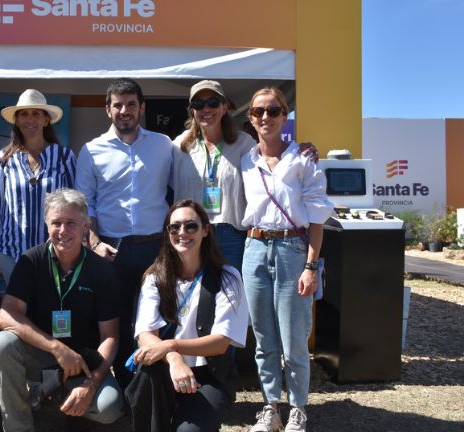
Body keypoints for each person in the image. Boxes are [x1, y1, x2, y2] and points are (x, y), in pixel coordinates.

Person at [0, 188, 123, 432]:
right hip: (41, 354)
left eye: (71, 223)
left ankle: (63, 397)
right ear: (47, 226)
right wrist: (56, 347)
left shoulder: (101, 271)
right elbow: (6, 315)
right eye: (56, 223)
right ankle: (19, 426)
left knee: (109, 408)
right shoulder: (31, 261)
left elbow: (110, 337)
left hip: (84, 361)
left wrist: (90, 384)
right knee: (1, 345)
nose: (63, 231)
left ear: (85, 226)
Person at [240, 87, 333, 432]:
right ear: (250, 117)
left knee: (294, 337)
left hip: (294, 251)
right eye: (258, 111)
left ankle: (298, 408)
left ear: (284, 116)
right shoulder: (245, 160)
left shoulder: (303, 159)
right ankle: (271, 407)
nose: (266, 117)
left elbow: (316, 218)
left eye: (274, 110)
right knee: (263, 338)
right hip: (254, 250)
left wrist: (311, 265)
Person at [75, 78, 174, 389]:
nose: (124, 110)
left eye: (131, 104)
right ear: (108, 109)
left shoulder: (164, 145)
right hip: (110, 250)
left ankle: (151, 384)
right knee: (114, 320)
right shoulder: (91, 151)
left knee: (154, 316)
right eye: (117, 104)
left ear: (142, 108)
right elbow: (84, 204)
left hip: (154, 248)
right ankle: (123, 385)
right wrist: (94, 243)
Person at [126, 199, 248, 432]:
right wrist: (173, 358)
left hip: (209, 376)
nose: (182, 232)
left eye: (190, 226)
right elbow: (145, 334)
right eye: (174, 227)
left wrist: (171, 345)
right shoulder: (154, 277)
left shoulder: (228, 278)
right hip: (165, 369)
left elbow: (221, 343)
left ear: (205, 230)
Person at [0, 89, 76, 287]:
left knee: (50, 310)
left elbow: (76, 205)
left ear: (46, 121)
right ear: (17, 121)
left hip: (55, 251)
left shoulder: (64, 157)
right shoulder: (3, 160)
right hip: (12, 252)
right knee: (16, 309)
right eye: (24, 114)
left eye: (36, 114)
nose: (30, 120)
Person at [172, 80, 257, 273]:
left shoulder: (244, 144)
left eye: (213, 102)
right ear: (192, 110)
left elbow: (270, 163)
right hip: (191, 233)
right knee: (194, 295)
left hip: (231, 235)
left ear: (225, 106)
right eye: (199, 105)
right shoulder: (180, 146)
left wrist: (300, 150)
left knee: (231, 296)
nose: (206, 109)